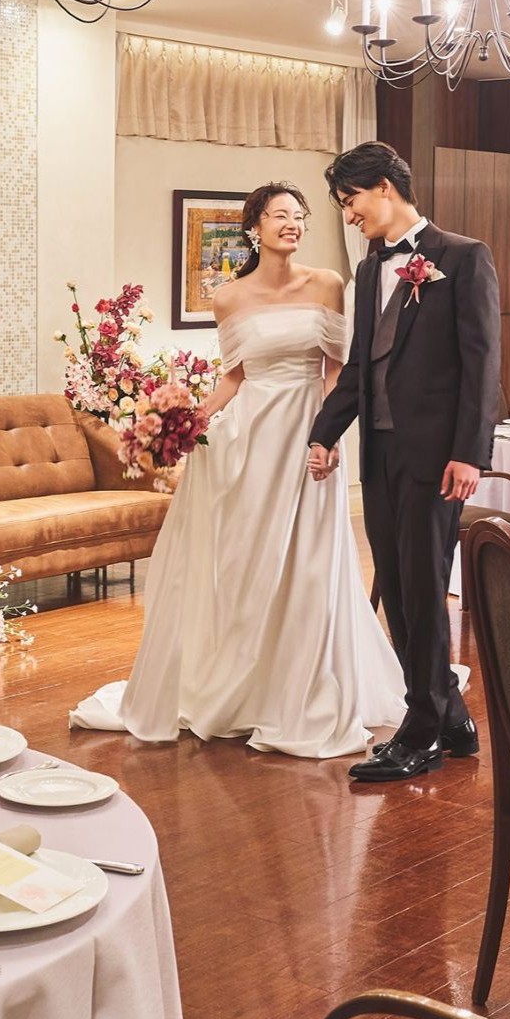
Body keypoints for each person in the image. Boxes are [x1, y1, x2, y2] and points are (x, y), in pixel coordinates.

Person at [71, 182, 405, 758]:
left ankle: (304, 689)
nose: (293, 224)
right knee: (247, 559)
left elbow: (335, 371)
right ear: (254, 228)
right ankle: (243, 687)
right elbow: (235, 377)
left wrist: (328, 435)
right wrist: (183, 424)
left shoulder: (327, 282)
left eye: (299, 216)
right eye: (280, 215)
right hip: (249, 438)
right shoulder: (228, 297)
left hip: (309, 431)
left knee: (309, 560)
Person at [308, 142, 500, 783]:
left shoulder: (464, 258)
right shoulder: (369, 272)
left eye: (351, 200)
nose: (349, 215)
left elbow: (482, 367)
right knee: (396, 585)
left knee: (423, 590)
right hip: (380, 453)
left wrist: (469, 454)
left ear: (385, 187)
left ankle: (421, 735)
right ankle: (451, 717)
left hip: (438, 460)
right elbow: (360, 366)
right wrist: (325, 433)